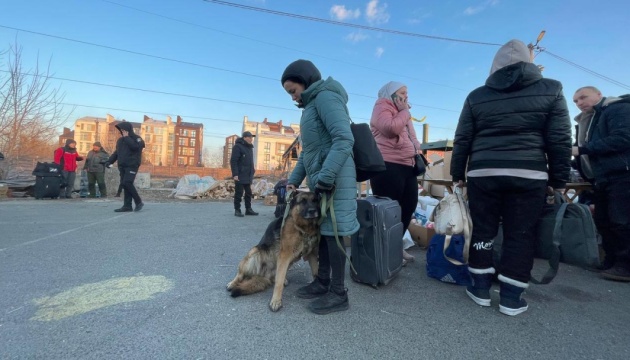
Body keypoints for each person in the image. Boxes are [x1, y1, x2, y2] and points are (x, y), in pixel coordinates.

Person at [451, 39, 571, 316]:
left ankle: (480, 287)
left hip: (483, 171)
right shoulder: (551, 89)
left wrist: (458, 173)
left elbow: (463, 139)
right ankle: (511, 297)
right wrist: (559, 178)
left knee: (483, 228)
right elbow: (560, 139)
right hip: (528, 172)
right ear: (529, 63)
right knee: (521, 233)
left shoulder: (477, 95)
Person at [281, 59, 359, 314]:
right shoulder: (310, 107)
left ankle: (339, 293)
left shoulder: (326, 98)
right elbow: (307, 153)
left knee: (334, 235)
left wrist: (326, 177)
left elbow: (344, 138)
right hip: (324, 181)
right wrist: (293, 180)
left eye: (293, 91)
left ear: (307, 80)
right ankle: (322, 281)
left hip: (336, 179)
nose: (293, 97)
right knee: (325, 233)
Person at [572, 86, 630, 281]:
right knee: (603, 220)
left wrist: (581, 150)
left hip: (622, 174)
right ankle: (611, 261)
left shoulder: (617, 109)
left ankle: (626, 265)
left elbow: (623, 138)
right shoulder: (589, 121)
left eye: (583, 97)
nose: (579, 103)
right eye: (575, 101)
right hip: (602, 177)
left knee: (621, 220)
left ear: (599, 95)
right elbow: (587, 154)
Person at [369, 81, 422, 264]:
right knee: (388, 211)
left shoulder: (404, 112)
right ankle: (383, 251)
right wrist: (405, 112)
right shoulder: (381, 106)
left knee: (409, 206)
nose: (406, 96)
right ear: (391, 94)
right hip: (387, 165)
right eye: (402, 92)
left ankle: (395, 246)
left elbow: (411, 135)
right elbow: (390, 129)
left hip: (408, 164)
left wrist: (417, 150)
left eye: (407, 92)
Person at [105, 122, 145, 212]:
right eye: (121, 130)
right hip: (122, 165)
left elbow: (135, 148)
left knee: (127, 182)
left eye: (124, 130)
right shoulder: (120, 140)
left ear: (128, 129)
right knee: (124, 184)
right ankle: (127, 206)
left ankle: (138, 201)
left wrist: (127, 138)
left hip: (132, 165)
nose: (122, 131)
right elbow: (116, 153)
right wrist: (109, 161)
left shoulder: (137, 138)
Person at [230, 131, 259, 217]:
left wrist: (252, 170)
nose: (251, 139)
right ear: (244, 137)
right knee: (239, 193)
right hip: (240, 174)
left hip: (248, 174)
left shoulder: (249, 148)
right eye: (250, 137)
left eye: (252, 138)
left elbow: (250, 162)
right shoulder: (237, 147)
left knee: (248, 193)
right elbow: (233, 161)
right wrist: (235, 174)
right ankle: (237, 210)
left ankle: (248, 209)